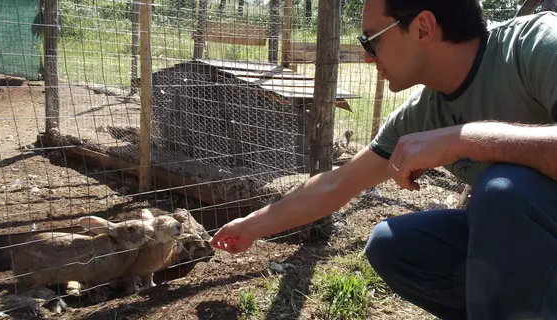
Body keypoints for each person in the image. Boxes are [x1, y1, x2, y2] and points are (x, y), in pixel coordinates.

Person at [209, 0, 557, 318]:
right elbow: (335, 185)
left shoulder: (535, 46)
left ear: (423, 28)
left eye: (373, 39)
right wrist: (251, 225)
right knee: (395, 245)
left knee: (503, 192)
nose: (367, 56)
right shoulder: (423, 114)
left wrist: (465, 138)